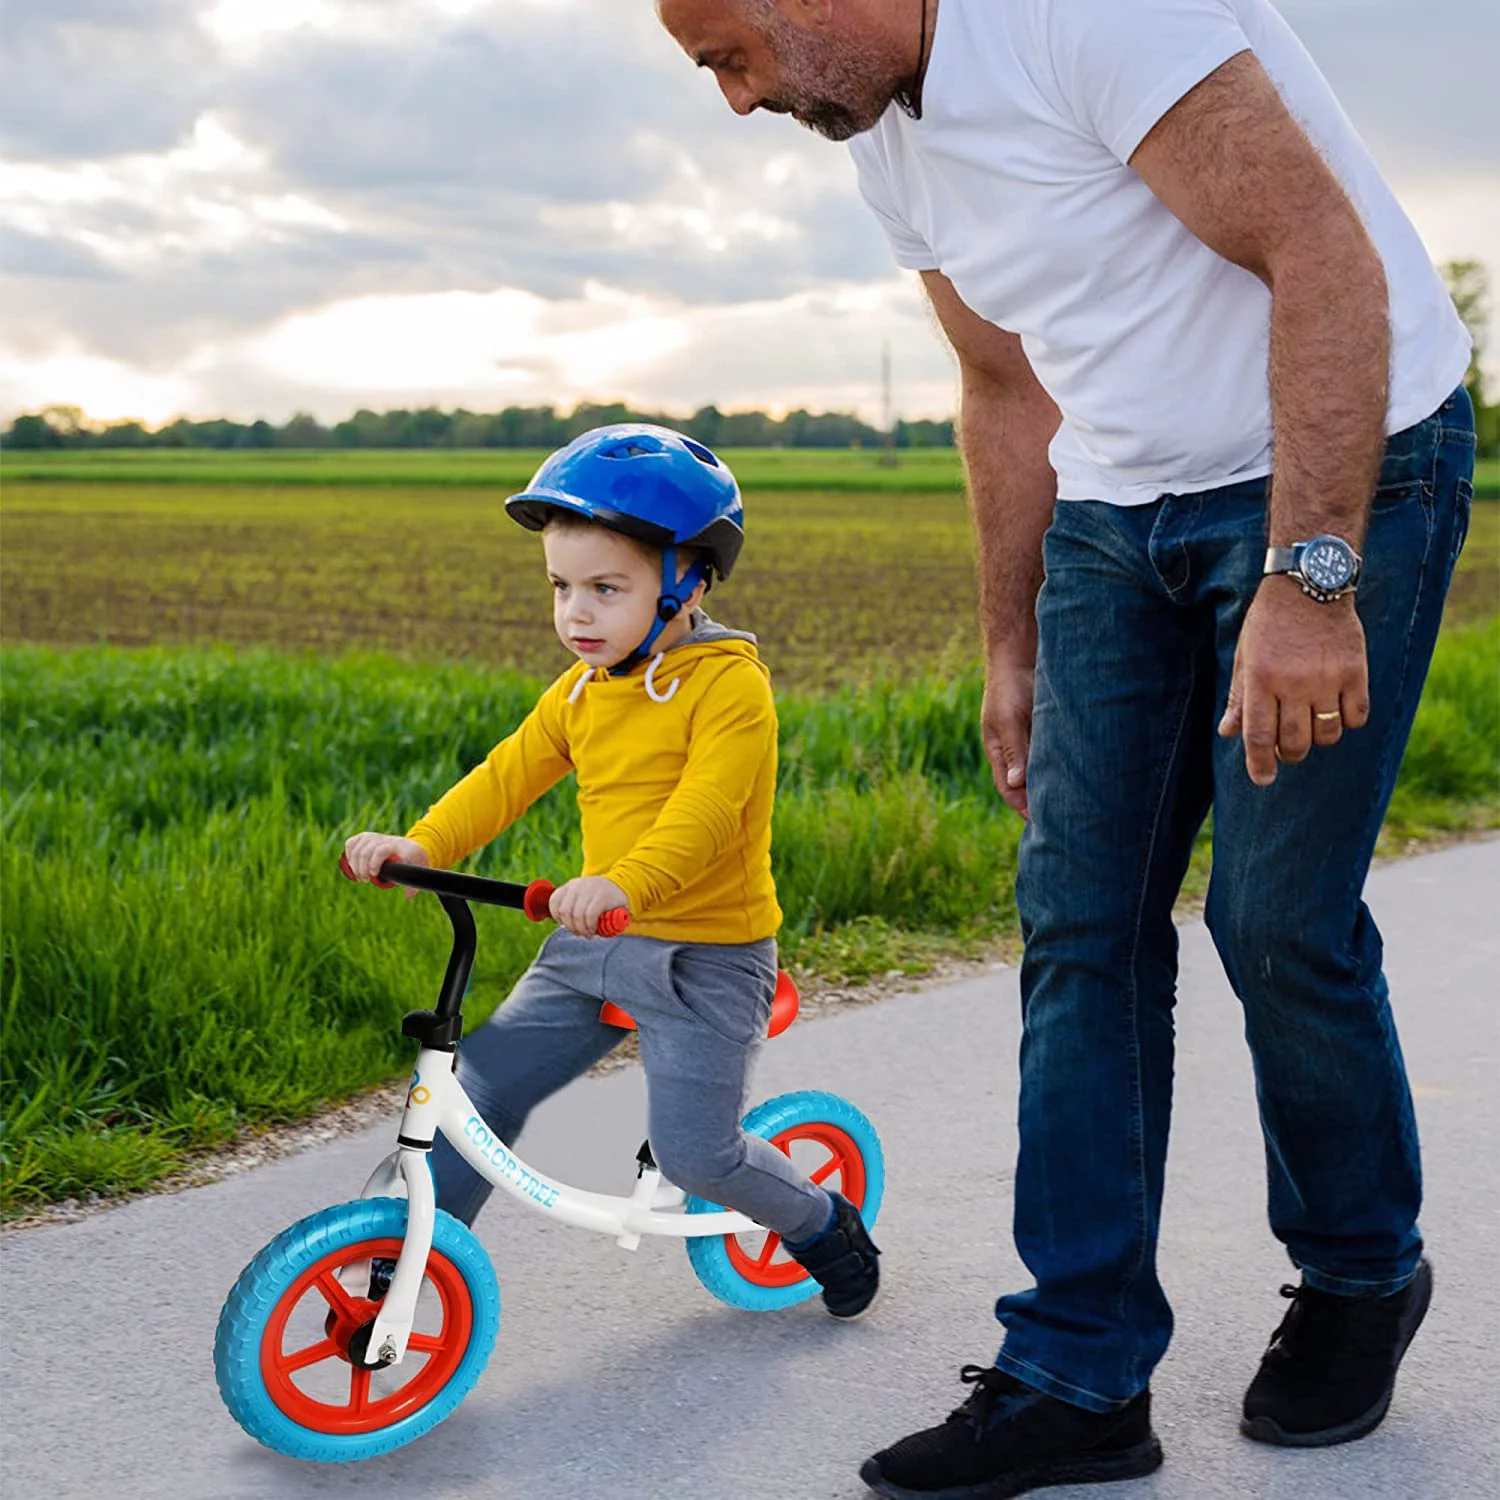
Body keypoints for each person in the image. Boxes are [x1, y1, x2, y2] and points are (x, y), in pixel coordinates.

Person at [655, 0, 1474, 1494]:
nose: (734, 98)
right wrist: (1013, 643)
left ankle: (1362, 1274)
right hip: (1119, 510)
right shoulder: (886, 138)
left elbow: (1323, 255)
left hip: (1343, 474)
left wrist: (1309, 578)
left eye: (731, 56)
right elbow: (1003, 385)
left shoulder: (1086, 15)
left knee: (1275, 920)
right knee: (1080, 928)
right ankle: (1079, 1369)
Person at [343, 423, 881, 1319]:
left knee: (696, 1156)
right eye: (561, 587)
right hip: (592, 944)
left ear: (688, 582)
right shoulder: (582, 692)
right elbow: (507, 774)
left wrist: (628, 883)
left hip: (708, 954)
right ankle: (400, 1264)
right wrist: (423, 845)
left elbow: (705, 815)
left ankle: (823, 1223)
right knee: (481, 1088)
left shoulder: (729, 688)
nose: (576, 613)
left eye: (606, 588)